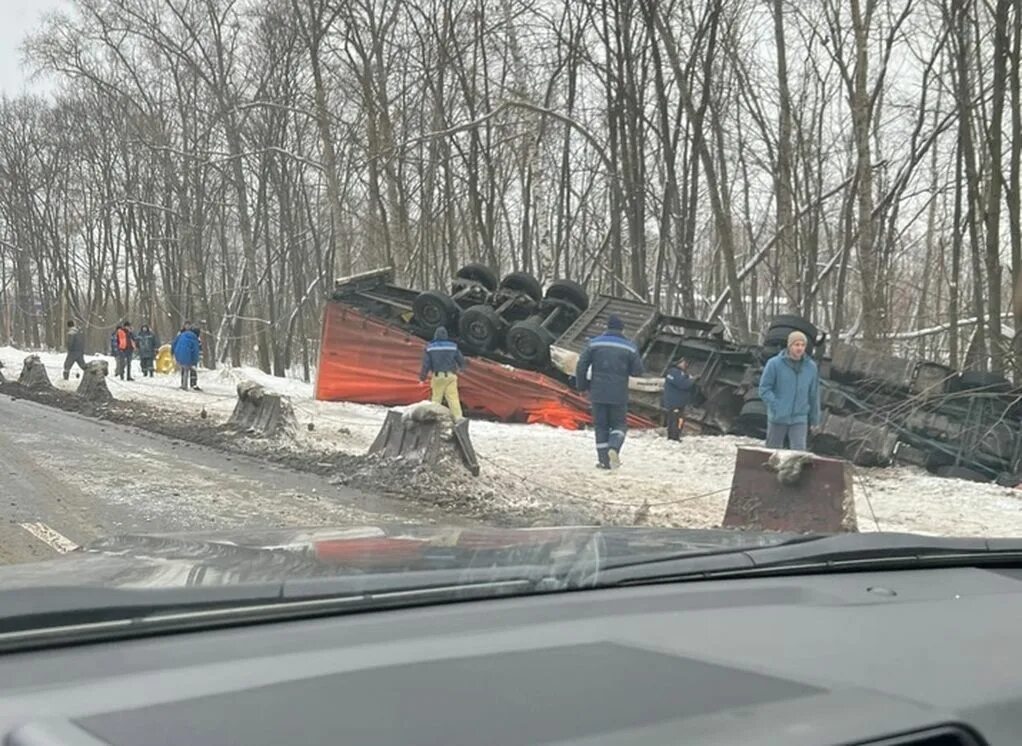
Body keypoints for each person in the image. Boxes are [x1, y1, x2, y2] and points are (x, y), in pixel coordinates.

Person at [574, 314, 644, 469]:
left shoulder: (593, 344)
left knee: (601, 426)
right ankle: (614, 447)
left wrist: (582, 387)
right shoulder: (630, 347)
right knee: (619, 424)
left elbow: (581, 366)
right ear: (622, 329)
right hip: (618, 393)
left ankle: (603, 461)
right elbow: (638, 371)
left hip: (598, 392)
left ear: (607, 327)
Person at [758, 330, 821, 451]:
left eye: (802, 345)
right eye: (796, 345)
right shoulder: (774, 364)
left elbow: (814, 395)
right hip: (778, 417)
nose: (800, 348)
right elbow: (764, 389)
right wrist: (776, 405)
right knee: (772, 454)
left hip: (799, 419)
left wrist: (815, 420)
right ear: (789, 345)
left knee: (798, 455)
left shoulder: (811, 367)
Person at [419, 326, 466, 419]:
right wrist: (462, 369)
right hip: (451, 376)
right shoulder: (453, 346)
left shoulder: (430, 348)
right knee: (453, 399)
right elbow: (461, 360)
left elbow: (426, 364)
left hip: (438, 377)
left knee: (436, 399)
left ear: (435, 335)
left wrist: (422, 378)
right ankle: (458, 419)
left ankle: (433, 419)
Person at [662, 358, 694, 441]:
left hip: (677, 402)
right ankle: (674, 437)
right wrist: (691, 380)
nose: (685, 364)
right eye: (683, 362)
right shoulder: (674, 372)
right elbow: (683, 384)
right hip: (675, 402)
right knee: (677, 420)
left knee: (674, 420)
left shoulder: (676, 373)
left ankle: (672, 436)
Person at [171, 324, 201, 391]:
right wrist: (195, 361)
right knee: (189, 369)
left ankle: (183, 384)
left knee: (184, 369)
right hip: (187, 355)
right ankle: (190, 385)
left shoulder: (182, 334)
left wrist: (172, 352)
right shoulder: (194, 338)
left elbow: (174, 343)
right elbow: (195, 351)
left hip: (178, 353)